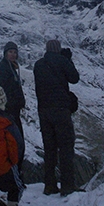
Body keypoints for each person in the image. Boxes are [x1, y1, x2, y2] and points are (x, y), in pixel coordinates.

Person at [34, 39, 80, 196]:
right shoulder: (62, 61)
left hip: (44, 111)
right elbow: (74, 78)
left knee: (49, 149)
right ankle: (67, 186)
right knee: (66, 148)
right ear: (58, 50)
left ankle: (49, 185)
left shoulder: (38, 64)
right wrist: (67, 60)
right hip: (60, 110)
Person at [0, 42, 26, 161]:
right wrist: (12, 102)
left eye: (15, 52)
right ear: (5, 53)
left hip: (13, 109)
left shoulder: (11, 68)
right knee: (15, 141)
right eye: (10, 52)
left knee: (16, 141)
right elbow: (2, 88)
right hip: (9, 110)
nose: (13, 55)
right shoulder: (4, 68)